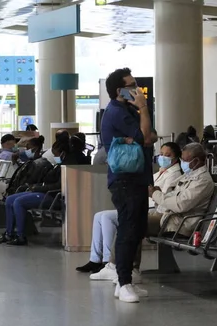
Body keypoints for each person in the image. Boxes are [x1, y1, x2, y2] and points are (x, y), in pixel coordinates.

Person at [77, 141, 180, 278]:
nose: (163, 157)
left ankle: (109, 261)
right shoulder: (161, 171)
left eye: (168, 155)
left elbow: (162, 196)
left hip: (151, 208)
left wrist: (151, 193)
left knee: (108, 218)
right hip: (143, 204)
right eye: (161, 154)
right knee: (99, 216)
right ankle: (95, 259)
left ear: (176, 157)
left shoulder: (174, 174)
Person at [101, 67, 154, 303]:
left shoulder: (127, 110)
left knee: (137, 230)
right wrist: (143, 108)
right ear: (118, 90)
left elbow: (148, 136)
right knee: (128, 229)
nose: (137, 89)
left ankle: (126, 279)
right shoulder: (117, 113)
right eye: (131, 85)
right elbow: (145, 136)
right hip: (125, 181)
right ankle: (123, 282)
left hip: (138, 178)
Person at [0, 136, 84, 246]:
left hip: (52, 196)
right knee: (10, 199)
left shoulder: (67, 166)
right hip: (44, 192)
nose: (54, 156)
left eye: (55, 154)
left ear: (62, 153)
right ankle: (9, 233)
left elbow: (58, 185)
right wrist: (35, 186)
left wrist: (38, 188)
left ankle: (21, 236)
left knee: (18, 202)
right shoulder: (59, 165)